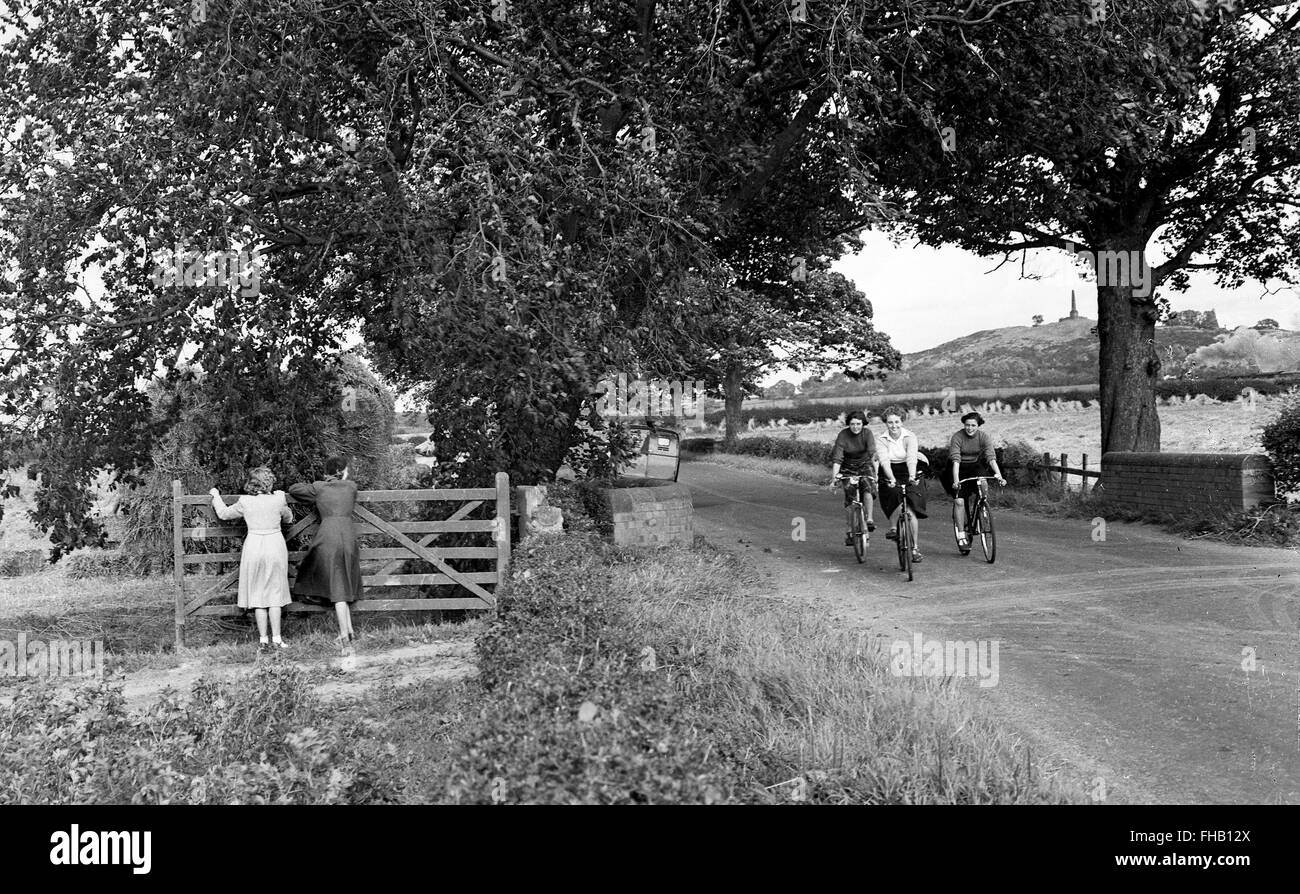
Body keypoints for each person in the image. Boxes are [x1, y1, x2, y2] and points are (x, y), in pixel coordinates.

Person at [210, 467, 293, 653]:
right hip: (274, 544)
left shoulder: (245, 501)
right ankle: (277, 639)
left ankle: (263, 640)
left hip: (254, 545)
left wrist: (216, 495)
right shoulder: (278, 498)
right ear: (268, 482)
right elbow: (288, 519)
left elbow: (223, 514)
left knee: (258, 594)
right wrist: (283, 500)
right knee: (275, 593)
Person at [289, 456, 361, 651]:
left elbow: (294, 489)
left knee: (337, 585)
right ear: (344, 471)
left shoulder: (319, 487)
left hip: (328, 534)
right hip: (347, 534)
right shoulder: (351, 487)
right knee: (343, 580)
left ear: (328, 472)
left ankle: (344, 634)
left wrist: (320, 481)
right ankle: (349, 630)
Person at [943, 411, 1006, 551]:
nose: (970, 428)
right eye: (967, 425)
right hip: (956, 468)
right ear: (964, 425)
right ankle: (961, 535)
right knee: (959, 501)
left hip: (974, 466)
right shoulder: (957, 437)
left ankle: (981, 508)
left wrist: (999, 476)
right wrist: (956, 481)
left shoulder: (983, 437)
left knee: (983, 481)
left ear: (978, 426)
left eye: (973, 425)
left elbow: (991, 458)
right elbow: (956, 461)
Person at [875, 407, 929, 563]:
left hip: (908, 469)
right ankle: (893, 527)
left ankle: (915, 548)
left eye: (897, 422)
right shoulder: (881, 439)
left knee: (911, 509)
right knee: (892, 495)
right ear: (886, 423)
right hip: (890, 470)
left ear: (901, 421)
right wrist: (891, 478)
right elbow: (884, 461)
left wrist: (912, 476)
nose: (893, 426)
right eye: (890, 422)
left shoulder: (909, 436)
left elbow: (911, 458)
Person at [828, 411, 880, 546]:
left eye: (858, 424)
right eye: (852, 424)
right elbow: (837, 459)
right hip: (848, 467)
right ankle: (850, 529)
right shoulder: (843, 435)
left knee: (868, 488)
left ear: (863, 424)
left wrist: (877, 474)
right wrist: (835, 478)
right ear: (848, 424)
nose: (855, 427)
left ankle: (869, 520)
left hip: (865, 465)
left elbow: (873, 453)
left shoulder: (867, 433)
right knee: (850, 497)